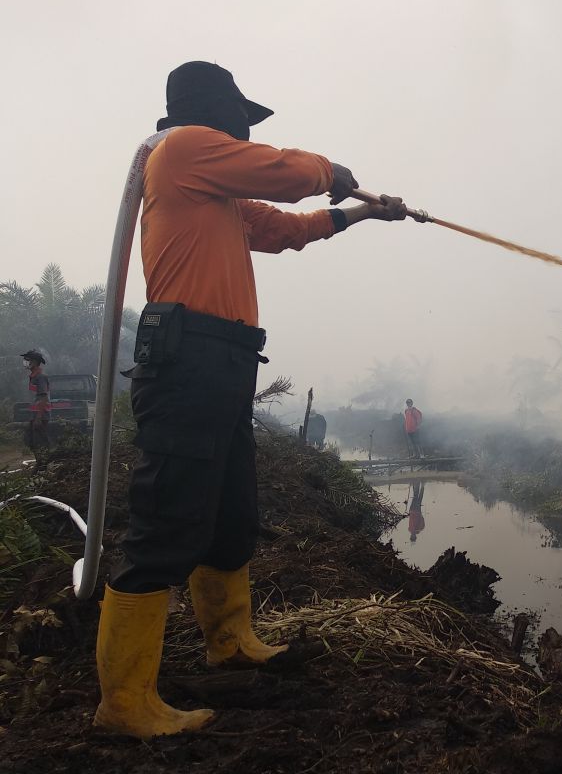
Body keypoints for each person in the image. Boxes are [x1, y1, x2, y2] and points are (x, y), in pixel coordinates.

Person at [93, 61, 411, 740]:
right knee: (166, 525)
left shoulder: (215, 196)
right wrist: (339, 172)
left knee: (232, 515)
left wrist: (357, 213)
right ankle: (125, 703)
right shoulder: (181, 150)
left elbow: (284, 228)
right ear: (214, 109)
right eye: (240, 116)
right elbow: (285, 173)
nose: (244, 129)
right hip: (188, 365)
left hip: (224, 366)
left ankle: (229, 640)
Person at [21, 350, 51, 448]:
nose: (25, 361)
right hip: (35, 414)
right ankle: (42, 461)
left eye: (27, 359)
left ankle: (45, 461)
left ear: (34, 362)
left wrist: (38, 417)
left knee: (40, 441)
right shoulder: (33, 377)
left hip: (41, 415)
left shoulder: (41, 377)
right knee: (32, 440)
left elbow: (43, 397)